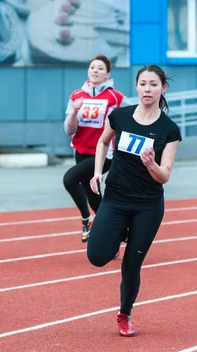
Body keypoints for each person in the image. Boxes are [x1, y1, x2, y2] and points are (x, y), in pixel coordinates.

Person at [86, 65, 181, 337]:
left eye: (153, 84)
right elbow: (103, 143)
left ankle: (124, 314)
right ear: (137, 87)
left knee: (131, 265)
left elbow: (164, 176)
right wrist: (97, 173)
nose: (147, 89)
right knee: (97, 257)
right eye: (143, 84)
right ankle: (119, 231)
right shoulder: (121, 117)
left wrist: (152, 165)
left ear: (163, 89)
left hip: (147, 205)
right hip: (116, 197)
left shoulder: (169, 130)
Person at [63, 54, 130, 243]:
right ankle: (117, 234)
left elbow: (135, 114)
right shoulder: (76, 96)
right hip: (81, 152)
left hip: (104, 154)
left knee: (69, 179)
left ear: (107, 75)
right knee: (94, 197)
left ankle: (86, 219)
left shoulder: (115, 98)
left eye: (100, 68)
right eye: (92, 67)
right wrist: (75, 112)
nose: (95, 71)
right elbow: (69, 129)